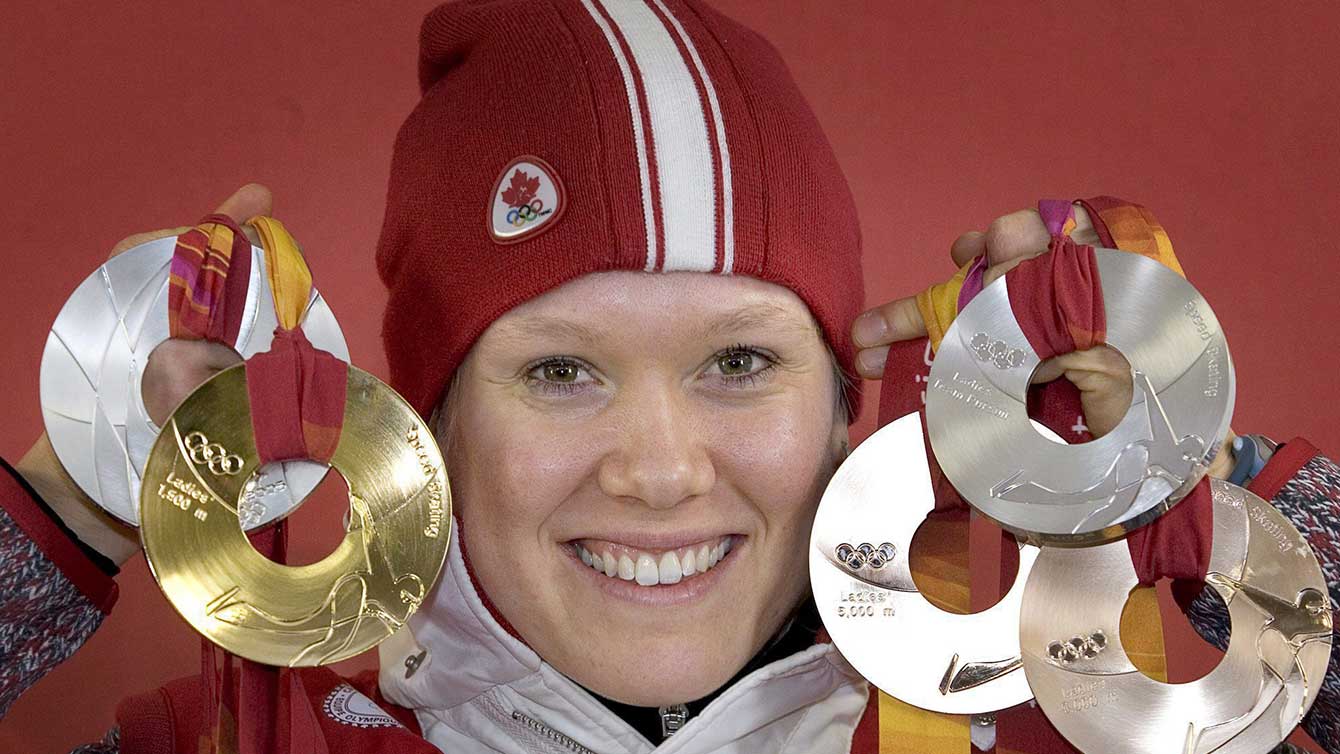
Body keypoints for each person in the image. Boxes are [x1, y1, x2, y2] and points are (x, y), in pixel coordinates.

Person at [3, 1, 1338, 752]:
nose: (657, 467)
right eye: (563, 368)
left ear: (844, 404)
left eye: (742, 360)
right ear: (423, 426)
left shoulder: (1112, 720)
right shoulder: (240, 739)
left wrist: (1180, 483)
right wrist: (76, 506)